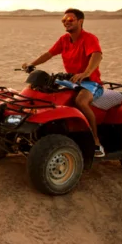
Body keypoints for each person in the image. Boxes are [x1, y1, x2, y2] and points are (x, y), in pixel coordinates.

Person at [22, 8, 105, 157]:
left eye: (70, 20)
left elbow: (97, 55)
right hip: (70, 81)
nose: (66, 22)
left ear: (80, 21)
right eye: (63, 20)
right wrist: (31, 64)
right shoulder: (64, 39)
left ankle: (95, 141)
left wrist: (86, 73)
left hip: (90, 82)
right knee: (43, 92)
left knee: (81, 101)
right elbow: (49, 53)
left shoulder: (89, 38)